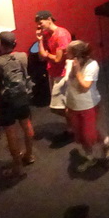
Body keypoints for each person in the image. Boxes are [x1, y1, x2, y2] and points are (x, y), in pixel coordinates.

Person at [0, 31, 35, 178]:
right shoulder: (23, 56)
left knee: (11, 133)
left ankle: (17, 167)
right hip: (22, 97)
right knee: (27, 125)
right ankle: (30, 155)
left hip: (6, 102)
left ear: (0, 44)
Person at [63, 40, 109, 172]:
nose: (65, 53)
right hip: (73, 105)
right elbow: (68, 84)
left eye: (68, 52)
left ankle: (106, 142)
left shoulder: (92, 65)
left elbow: (85, 87)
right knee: (80, 136)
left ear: (76, 55)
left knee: (88, 135)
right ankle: (91, 157)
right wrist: (68, 105)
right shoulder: (68, 63)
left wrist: (77, 70)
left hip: (88, 105)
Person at [35, 10, 73, 139]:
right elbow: (41, 57)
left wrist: (46, 55)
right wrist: (40, 40)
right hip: (54, 72)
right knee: (63, 104)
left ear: (49, 19)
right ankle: (71, 129)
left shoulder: (61, 35)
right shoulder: (46, 35)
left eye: (41, 23)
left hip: (63, 73)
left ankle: (76, 120)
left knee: (57, 107)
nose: (39, 26)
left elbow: (58, 59)